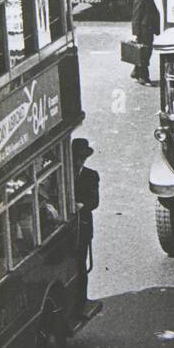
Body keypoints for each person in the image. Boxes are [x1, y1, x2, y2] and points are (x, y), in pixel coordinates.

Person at [72, 138, 103, 324]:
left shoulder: (91, 176)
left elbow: (94, 202)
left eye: (82, 158)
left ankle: (81, 303)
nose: (80, 161)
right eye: (77, 158)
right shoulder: (63, 173)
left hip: (82, 227)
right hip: (71, 228)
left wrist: (81, 205)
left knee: (80, 267)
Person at [130, 0, 161, 84]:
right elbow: (136, 17)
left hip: (148, 31)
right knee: (145, 54)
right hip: (143, 32)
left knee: (144, 52)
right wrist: (135, 34)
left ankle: (136, 72)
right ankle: (144, 77)